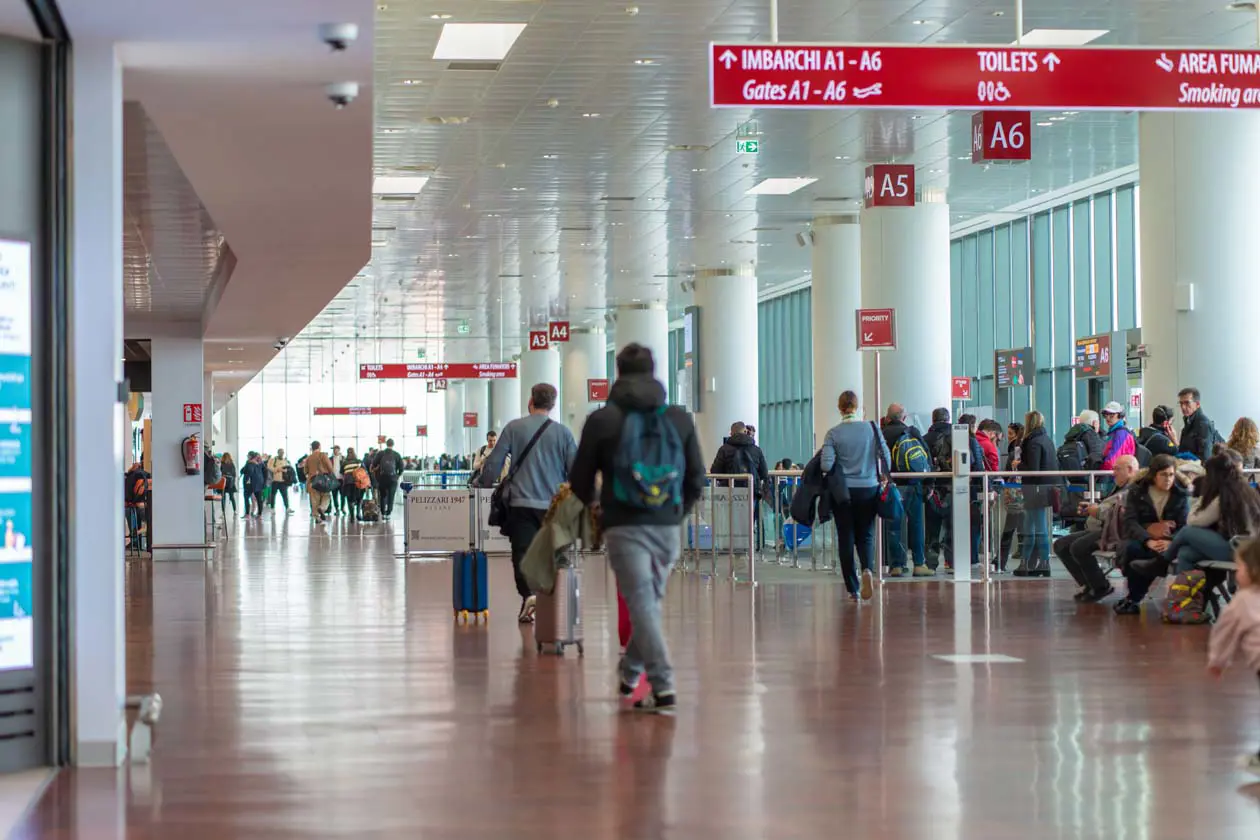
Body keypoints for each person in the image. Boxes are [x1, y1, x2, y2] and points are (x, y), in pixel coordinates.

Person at [568, 343, 705, 714]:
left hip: (625, 524)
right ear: (654, 369)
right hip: (667, 526)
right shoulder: (678, 418)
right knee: (649, 605)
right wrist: (677, 512)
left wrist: (599, 505)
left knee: (643, 605)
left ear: (618, 371)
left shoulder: (602, 420)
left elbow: (578, 479)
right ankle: (630, 674)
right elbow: (697, 477)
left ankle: (664, 687)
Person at [476, 383, 578, 624]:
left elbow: (493, 463)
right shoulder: (563, 433)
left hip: (521, 505)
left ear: (530, 402)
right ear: (552, 405)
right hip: (554, 506)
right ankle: (558, 604)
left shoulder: (514, 428)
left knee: (522, 554)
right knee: (557, 555)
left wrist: (484, 482)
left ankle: (529, 596)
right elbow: (576, 470)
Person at [820, 390, 891, 602]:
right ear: (857, 406)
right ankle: (868, 569)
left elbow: (826, 464)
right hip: (869, 488)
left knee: (846, 537)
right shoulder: (872, 428)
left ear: (839, 408)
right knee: (866, 534)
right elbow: (885, 456)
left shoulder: (833, 433)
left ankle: (853, 588)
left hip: (844, 492)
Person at [1206, 537, 1260, 777]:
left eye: (1239, 568)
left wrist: (1218, 661)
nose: (1237, 573)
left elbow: (1223, 634)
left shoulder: (1242, 601)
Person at [1158, 448, 1260, 574]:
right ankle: (1192, 592)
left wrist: (1203, 494)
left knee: (1187, 531)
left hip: (1237, 550)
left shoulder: (1223, 497)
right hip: (1250, 549)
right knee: (1185, 553)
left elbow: (1193, 521)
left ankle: (1161, 564)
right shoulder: (1244, 491)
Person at [1053, 454, 1139, 602]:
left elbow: (1123, 514)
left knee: (1078, 547)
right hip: (1105, 528)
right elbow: (1110, 506)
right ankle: (1090, 584)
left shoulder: (1136, 490)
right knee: (1060, 545)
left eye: (1117, 469)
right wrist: (1093, 507)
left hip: (1118, 532)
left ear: (1130, 470)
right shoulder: (1121, 487)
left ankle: (1100, 586)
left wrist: (1097, 511)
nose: (1114, 473)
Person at [1113, 454, 1191, 615]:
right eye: (1163, 475)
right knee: (1133, 550)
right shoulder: (1138, 491)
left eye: (1171, 475)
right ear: (1154, 475)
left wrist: (1171, 542)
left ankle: (1133, 598)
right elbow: (1131, 521)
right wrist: (1148, 540)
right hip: (1143, 538)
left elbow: (1184, 526)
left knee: (1155, 555)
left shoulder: (1180, 494)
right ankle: (1134, 597)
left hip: (1169, 541)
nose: (1168, 479)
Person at [882, 404, 930, 576]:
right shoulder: (913, 432)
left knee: (894, 525)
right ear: (904, 417)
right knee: (916, 523)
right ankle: (919, 564)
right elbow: (926, 456)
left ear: (887, 418)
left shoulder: (882, 434)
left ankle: (897, 565)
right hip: (913, 483)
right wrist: (929, 483)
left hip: (892, 485)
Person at [1015, 410, 1059, 578]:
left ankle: (1036, 562)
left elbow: (1033, 469)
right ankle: (1031, 562)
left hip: (1035, 489)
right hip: (1045, 488)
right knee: (1034, 526)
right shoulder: (1047, 440)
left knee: (1035, 527)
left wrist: (1018, 465)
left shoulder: (1032, 443)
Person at [1177, 386, 1222, 463]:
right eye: (1181, 403)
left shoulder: (1203, 425)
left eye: (1187, 403)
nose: (1183, 407)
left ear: (1197, 404)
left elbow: (1205, 459)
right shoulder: (1188, 424)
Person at [1099, 401, 1137, 470]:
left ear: (1120, 415)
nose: (1107, 418)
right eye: (1105, 415)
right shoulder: (1114, 432)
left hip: (1116, 476)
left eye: (1111, 415)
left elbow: (1112, 461)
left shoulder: (1121, 433)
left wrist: (1099, 469)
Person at [304, 441, 335, 523]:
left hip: (312, 480)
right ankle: (322, 508)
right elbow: (330, 467)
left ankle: (316, 517)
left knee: (314, 500)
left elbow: (305, 471)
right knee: (326, 496)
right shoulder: (323, 455)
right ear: (319, 446)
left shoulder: (309, 458)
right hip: (323, 479)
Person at [373, 439, 404, 519]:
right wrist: (397, 476)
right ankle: (389, 513)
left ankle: (383, 513)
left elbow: (374, 464)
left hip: (382, 478)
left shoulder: (381, 453)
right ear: (393, 444)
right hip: (393, 478)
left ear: (386, 444)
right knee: (391, 496)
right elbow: (401, 468)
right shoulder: (396, 454)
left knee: (383, 496)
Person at [241, 452, 267, 519]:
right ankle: (257, 515)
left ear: (250, 456)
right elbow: (242, 471)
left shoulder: (252, 464)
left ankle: (250, 514)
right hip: (255, 484)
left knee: (250, 498)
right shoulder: (259, 464)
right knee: (257, 499)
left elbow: (246, 471)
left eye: (248, 455)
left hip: (252, 484)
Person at [341, 447, 364, 521]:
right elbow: (364, 470)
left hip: (348, 483)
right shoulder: (358, 461)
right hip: (358, 482)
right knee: (359, 498)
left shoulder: (344, 462)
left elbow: (341, 471)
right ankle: (358, 514)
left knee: (349, 499)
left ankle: (352, 516)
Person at [268, 449, 292, 514]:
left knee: (285, 495)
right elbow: (269, 467)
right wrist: (277, 469)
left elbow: (288, 469)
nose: (282, 453)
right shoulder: (273, 460)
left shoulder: (285, 460)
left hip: (283, 481)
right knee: (273, 495)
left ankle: (287, 508)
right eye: (280, 452)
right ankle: (272, 508)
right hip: (275, 481)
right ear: (278, 452)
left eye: (283, 452)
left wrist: (285, 470)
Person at [220, 452, 238, 518]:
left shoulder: (222, 464)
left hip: (223, 483)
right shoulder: (232, 464)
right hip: (230, 483)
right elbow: (234, 474)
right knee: (232, 497)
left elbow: (220, 473)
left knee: (223, 498)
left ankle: (223, 512)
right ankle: (235, 511)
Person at [329, 445, 345, 516]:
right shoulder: (330, 459)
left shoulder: (343, 458)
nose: (334, 451)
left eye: (336, 449)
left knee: (343, 495)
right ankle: (337, 509)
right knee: (334, 495)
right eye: (333, 449)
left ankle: (342, 508)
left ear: (339, 450)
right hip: (334, 480)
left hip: (342, 479)